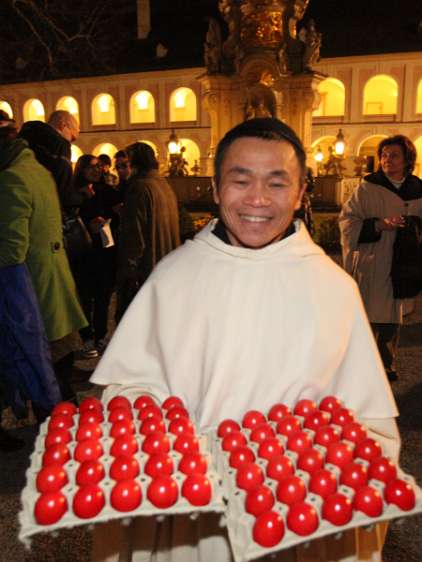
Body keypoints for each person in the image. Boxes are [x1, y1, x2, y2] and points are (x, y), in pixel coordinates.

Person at [90, 118, 399, 562]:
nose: (257, 199)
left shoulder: (333, 289)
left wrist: (318, 463)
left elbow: (372, 430)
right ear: (216, 189)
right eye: (240, 180)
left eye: (277, 183)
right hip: (194, 522)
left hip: (296, 520)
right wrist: (158, 429)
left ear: (300, 193)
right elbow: (127, 389)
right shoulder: (174, 278)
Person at [0, 110, 84, 416]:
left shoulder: (11, 178)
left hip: (33, 289)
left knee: (43, 372)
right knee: (57, 372)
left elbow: (12, 250)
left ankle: (59, 439)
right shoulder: (37, 171)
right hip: (54, 281)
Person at [339, 135, 422, 382]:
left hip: (402, 262)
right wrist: (378, 225)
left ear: (407, 159)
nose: (387, 160)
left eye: (394, 155)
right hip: (373, 260)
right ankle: (362, 364)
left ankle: (386, 364)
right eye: (384, 155)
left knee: (392, 318)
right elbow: (347, 221)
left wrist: (412, 226)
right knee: (368, 314)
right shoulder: (367, 187)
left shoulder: (418, 190)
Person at [115, 142, 180, 321]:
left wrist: (129, 269)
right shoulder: (162, 184)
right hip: (166, 262)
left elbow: (135, 235)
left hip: (148, 266)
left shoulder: (140, 188)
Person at [70, 154, 118, 356]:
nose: (97, 170)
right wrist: (87, 224)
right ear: (81, 170)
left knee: (103, 295)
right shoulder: (73, 193)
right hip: (84, 251)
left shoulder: (106, 190)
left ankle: (100, 335)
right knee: (85, 295)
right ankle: (87, 336)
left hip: (105, 249)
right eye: (91, 167)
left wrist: (111, 218)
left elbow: (116, 212)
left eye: (99, 166)